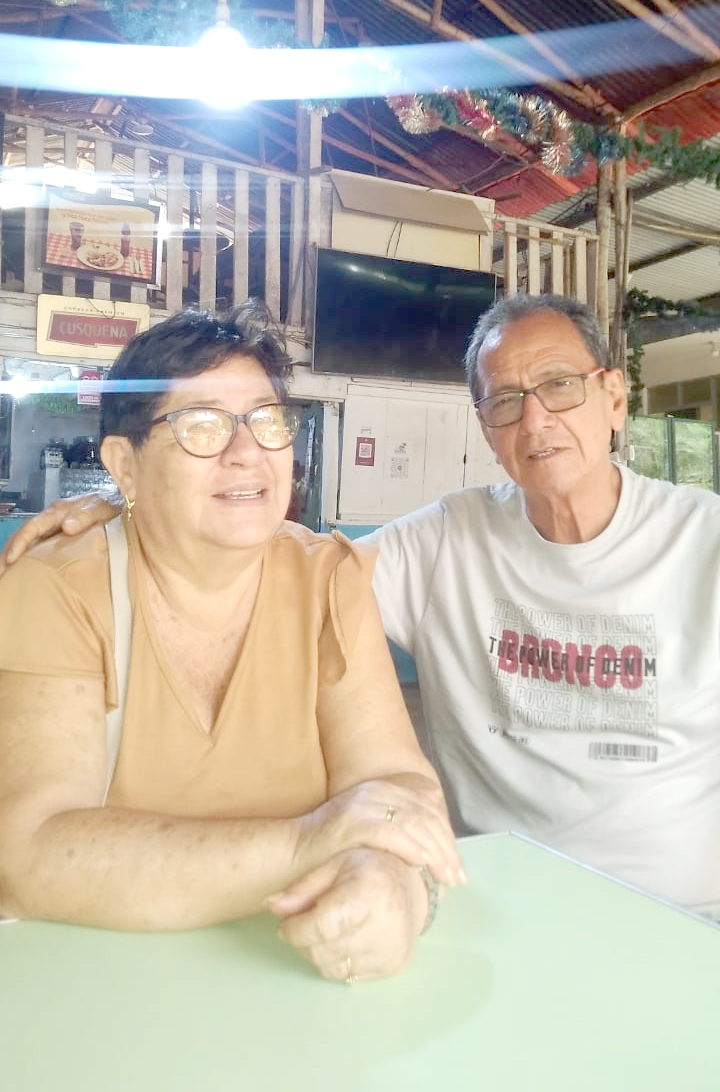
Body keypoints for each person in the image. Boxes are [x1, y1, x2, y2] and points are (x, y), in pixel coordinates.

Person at [6, 294, 720, 919]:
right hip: (498, 893)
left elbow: (389, 776)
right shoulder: (446, 541)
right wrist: (126, 504)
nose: (535, 419)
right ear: (485, 426)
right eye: (505, 400)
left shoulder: (705, 542)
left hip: (688, 915)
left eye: (560, 386)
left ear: (615, 397)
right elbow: (262, 554)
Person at [0, 301, 463, 983]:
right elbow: (29, 855)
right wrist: (310, 841)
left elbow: (396, 787)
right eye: (202, 425)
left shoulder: (327, 580)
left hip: (289, 969)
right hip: (105, 982)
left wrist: (390, 881)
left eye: (266, 421)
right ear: (125, 466)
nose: (247, 452)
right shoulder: (59, 586)